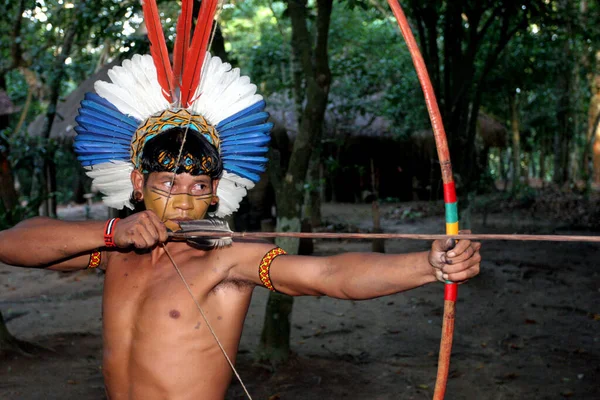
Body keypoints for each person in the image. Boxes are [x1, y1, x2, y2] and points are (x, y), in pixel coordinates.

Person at [0, 2, 481, 398]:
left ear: (216, 192)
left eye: (200, 187)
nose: (186, 200)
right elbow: (13, 242)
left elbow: (327, 276)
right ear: (136, 182)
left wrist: (429, 265)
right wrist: (113, 233)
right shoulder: (115, 252)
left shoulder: (227, 263)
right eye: (168, 183)